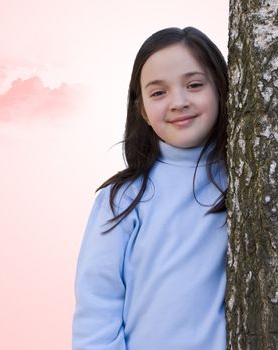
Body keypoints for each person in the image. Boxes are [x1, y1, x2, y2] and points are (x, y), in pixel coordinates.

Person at [72, 26, 228, 350]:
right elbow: (97, 308)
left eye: (195, 85)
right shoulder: (123, 200)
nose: (179, 102)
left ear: (221, 88)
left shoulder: (245, 186)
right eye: (159, 92)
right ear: (142, 108)